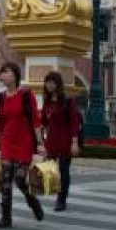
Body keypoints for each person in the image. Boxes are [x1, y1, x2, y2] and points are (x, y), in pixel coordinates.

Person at [0, 61, 45, 228]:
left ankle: (32, 201)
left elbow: (35, 121)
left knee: (20, 179)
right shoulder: (2, 97)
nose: (4, 75)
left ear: (15, 75)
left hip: (25, 143)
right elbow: (1, 124)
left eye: (7, 72)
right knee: (5, 180)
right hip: (7, 142)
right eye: (2, 73)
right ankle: (6, 217)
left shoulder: (27, 95)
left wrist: (40, 144)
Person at [40, 71, 81, 212]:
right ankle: (52, 191)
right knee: (50, 170)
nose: (49, 85)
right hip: (51, 141)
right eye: (47, 82)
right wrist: (42, 143)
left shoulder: (68, 101)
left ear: (58, 84)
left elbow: (74, 123)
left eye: (52, 82)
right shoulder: (46, 101)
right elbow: (43, 122)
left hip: (65, 141)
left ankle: (61, 199)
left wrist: (74, 143)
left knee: (64, 171)